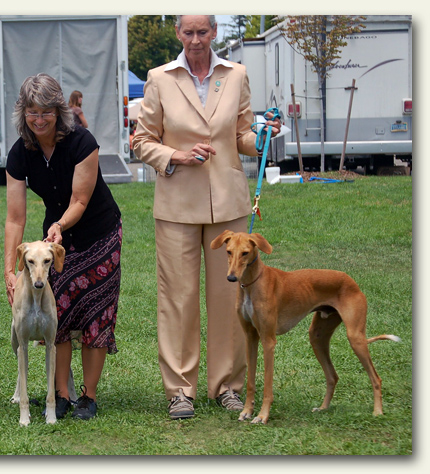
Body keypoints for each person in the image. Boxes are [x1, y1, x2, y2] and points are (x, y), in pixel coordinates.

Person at [132, 15, 281, 420]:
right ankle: (180, 390)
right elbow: (140, 140)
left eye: (203, 32)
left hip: (228, 206)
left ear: (214, 33)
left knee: (230, 297)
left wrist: (262, 136)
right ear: (178, 34)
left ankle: (228, 386)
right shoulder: (160, 77)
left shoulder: (236, 75)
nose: (196, 40)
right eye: (188, 32)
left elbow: (242, 136)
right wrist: (173, 156)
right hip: (176, 206)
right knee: (177, 299)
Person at [4, 73, 121, 421]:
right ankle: (62, 394)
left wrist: (58, 225)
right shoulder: (20, 152)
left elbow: (80, 200)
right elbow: (14, 218)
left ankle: (89, 395)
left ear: (59, 111)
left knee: (96, 314)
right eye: (31, 112)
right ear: (22, 113)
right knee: (62, 312)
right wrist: (9, 270)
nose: (39, 120)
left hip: (98, 232)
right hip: (55, 241)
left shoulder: (81, 141)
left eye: (46, 112)